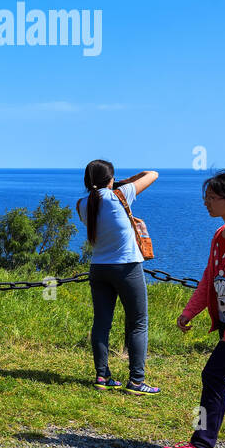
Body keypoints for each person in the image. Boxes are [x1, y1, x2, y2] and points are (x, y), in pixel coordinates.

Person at [164, 174, 225, 448]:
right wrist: (191, 310)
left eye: (212, 198)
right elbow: (209, 278)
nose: (206, 203)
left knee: (213, 375)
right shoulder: (219, 236)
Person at [75, 160, 160, 393]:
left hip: (98, 268)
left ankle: (102, 377)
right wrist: (122, 183)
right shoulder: (120, 195)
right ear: (111, 179)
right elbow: (152, 173)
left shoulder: (82, 204)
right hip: (127, 267)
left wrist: (111, 184)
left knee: (102, 322)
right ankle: (136, 381)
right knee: (137, 323)